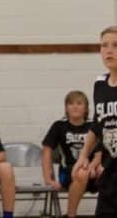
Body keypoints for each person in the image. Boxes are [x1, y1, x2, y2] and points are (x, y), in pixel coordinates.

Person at [73, 26, 117, 218]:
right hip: (110, 171)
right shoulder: (99, 84)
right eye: (104, 45)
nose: (109, 50)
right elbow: (96, 125)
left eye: (116, 45)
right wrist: (84, 155)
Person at [41, 90, 101, 218]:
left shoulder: (93, 126)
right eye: (71, 103)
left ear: (86, 108)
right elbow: (46, 152)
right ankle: (70, 215)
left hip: (91, 171)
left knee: (107, 172)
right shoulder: (59, 126)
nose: (75, 106)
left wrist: (93, 167)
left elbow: (99, 154)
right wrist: (48, 179)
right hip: (68, 173)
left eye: (79, 103)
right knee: (81, 172)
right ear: (66, 108)